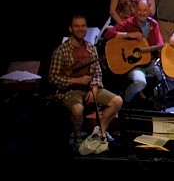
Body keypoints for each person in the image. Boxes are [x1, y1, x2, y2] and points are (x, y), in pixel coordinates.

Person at [49, 14, 123, 147]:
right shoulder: (61, 51)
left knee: (117, 101)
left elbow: (97, 72)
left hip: (89, 89)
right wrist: (77, 80)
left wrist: (94, 88)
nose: (80, 29)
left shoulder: (90, 48)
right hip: (70, 91)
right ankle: (77, 136)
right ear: (70, 29)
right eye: (76, 26)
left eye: (83, 26)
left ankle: (101, 130)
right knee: (78, 109)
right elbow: (53, 77)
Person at [102, 0, 164, 107]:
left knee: (165, 78)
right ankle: (124, 100)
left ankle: (151, 98)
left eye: (145, 10)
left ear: (149, 10)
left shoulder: (154, 25)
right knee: (140, 82)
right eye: (139, 10)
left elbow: (160, 45)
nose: (142, 13)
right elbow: (108, 34)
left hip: (150, 62)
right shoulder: (129, 23)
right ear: (135, 10)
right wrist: (129, 34)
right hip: (133, 64)